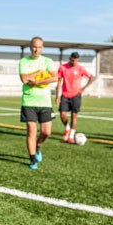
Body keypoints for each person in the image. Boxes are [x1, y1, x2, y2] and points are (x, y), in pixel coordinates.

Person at [19, 37, 56, 169]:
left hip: (45, 103)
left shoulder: (48, 61)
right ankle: (33, 158)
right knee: (31, 131)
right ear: (30, 47)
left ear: (42, 48)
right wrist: (39, 72)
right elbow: (24, 79)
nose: (36, 49)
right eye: (34, 46)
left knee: (46, 132)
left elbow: (55, 77)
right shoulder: (24, 61)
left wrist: (36, 82)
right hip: (29, 101)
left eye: (39, 47)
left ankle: (38, 145)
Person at [55, 52, 96, 144]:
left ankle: (71, 136)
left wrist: (84, 88)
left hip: (76, 95)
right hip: (65, 95)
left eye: (76, 61)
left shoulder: (80, 68)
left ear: (78, 60)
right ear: (70, 58)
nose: (74, 62)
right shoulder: (62, 67)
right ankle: (67, 128)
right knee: (62, 115)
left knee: (74, 116)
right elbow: (59, 82)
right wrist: (57, 96)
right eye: (72, 60)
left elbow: (92, 77)